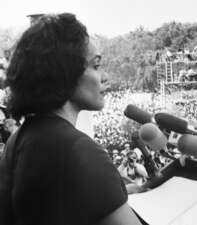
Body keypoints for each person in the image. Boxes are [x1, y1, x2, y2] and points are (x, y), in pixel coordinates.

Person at [0, 13, 142, 225]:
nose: (105, 77)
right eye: (96, 65)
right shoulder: (80, 150)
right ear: (64, 72)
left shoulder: (18, 140)